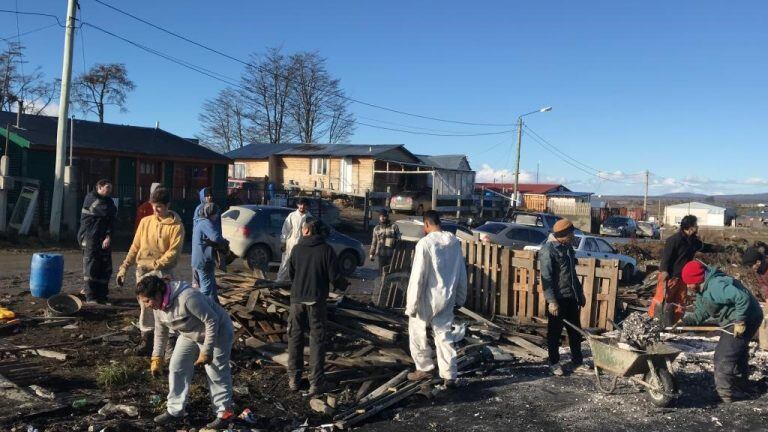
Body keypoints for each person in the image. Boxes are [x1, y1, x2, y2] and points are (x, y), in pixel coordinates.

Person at [136, 274, 235, 428]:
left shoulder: (188, 298)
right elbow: (160, 331)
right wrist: (157, 358)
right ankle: (175, 411)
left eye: (148, 300)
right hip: (190, 333)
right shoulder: (158, 306)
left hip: (218, 332)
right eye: (144, 302)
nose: (147, 305)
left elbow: (212, 320)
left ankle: (224, 415)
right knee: (177, 366)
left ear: (157, 294)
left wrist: (207, 351)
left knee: (216, 372)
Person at [678, 260, 764, 402]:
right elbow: (701, 314)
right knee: (737, 351)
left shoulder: (716, 285)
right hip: (736, 317)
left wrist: (740, 320)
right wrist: (683, 322)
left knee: (723, 355)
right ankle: (740, 385)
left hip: (747, 316)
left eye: (689, 283)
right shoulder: (701, 291)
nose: (688, 286)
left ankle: (725, 393)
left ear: (698, 278)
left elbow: (742, 298)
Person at [117, 187, 185, 355]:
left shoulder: (176, 227)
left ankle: (170, 344)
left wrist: (154, 264)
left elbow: (173, 253)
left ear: (168, 205)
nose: (155, 210)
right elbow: (135, 246)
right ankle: (147, 340)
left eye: (159, 206)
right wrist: (124, 267)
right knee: (145, 306)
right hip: (143, 271)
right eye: (153, 205)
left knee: (165, 306)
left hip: (163, 272)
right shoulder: (145, 222)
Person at [405, 210, 467, 388]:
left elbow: (418, 276)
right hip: (447, 297)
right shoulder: (455, 243)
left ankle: (424, 369)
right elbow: (461, 272)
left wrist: (411, 305)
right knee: (444, 335)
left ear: (426, 225)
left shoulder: (425, 244)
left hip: (427, 297)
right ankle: (450, 375)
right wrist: (461, 298)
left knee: (417, 332)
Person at [286, 216, 346, 395]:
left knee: (295, 338)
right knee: (316, 340)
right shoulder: (326, 250)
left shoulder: (297, 249)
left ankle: (294, 379)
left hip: (297, 300)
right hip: (316, 301)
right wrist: (343, 285)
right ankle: (316, 382)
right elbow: (335, 277)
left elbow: (291, 273)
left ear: (306, 230)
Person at [539, 218, 588, 377]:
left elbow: (572, 275)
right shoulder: (548, 250)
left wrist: (580, 294)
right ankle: (553, 362)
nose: (573, 235)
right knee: (554, 333)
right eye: (571, 233)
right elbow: (546, 276)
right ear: (563, 234)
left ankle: (577, 361)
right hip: (558, 299)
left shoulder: (567, 248)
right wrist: (551, 301)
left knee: (575, 332)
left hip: (571, 297)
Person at [650, 215, 719, 325]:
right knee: (662, 299)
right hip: (670, 276)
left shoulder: (693, 241)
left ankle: (674, 324)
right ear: (690, 227)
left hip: (684, 277)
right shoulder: (674, 240)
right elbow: (666, 257)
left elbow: (706, 247)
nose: (697, 228)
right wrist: (663, 271)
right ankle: (653, 321)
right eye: (696, 225)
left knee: (680, 301)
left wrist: (721, 248)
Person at [77, 179, 117, 304]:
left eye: (111, 187)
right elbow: (107, 210)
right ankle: (91, 297)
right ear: (99, 187)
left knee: (105, 267)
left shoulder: (109, 201)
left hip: (103, 239)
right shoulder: (91, 198)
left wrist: (108, 236)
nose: (110, 190)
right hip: (90, 238)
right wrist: (112, 212)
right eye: (107, 187)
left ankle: (102, 296)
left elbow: (112, 220)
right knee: (91, 267)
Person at [192, 203, 229, 302]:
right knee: (206, 289)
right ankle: (198, 307)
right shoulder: (206, 223)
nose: (217, 216)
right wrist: (225, 242)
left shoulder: (199, 222)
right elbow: (215, 237)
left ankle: (215, 308)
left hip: (201, 260)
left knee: (212, 288)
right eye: (216, 214)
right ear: (211, 214)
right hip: (204, 261)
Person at [276, 198, 311, 281]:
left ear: (307, 206)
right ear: (297, 205)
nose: (302, 206)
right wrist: (283, 242)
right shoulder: (292, 216)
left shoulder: (309, 217)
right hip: (290, 243)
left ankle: (295, 282)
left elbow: (310, 233)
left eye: (304, 204)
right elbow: (285, 229)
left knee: (299, 264)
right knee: (285, 262)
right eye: (300, 204)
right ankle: (279, 281)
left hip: (302, 245)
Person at [370, 210, 400, 276]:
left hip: (391, 254)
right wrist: (372, 253)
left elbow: (399, 239)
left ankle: (390, 286)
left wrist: (394, 242)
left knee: (390, 273)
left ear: (387, 217)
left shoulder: (394, 227)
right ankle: (381, 285)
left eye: (384, 216)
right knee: (381, 273)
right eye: (381, 216)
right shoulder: (376, 228)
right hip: (381, 254)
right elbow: (374, 242)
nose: (382, 218)